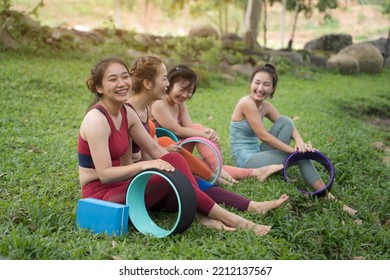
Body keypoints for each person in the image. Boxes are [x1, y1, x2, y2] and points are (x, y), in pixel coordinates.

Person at [77, 56, 285, 236]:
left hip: (126, 184)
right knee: (172, 181)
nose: (122, 83)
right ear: (99, 87)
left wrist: (166, 161)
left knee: (175, 163)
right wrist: (145, 166)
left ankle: (226, 212)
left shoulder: (126, 112)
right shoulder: (96, 120)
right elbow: (105, 174)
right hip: (103, 194)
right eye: (113, 79)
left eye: (124, 76)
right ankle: (235, 219)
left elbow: (157, 150)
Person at [126, 55, 289, 216]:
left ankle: (249, 202)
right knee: (190, 173)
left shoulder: (145, 108)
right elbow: (135, 158)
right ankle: (225, 200)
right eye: (164, 79)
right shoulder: (135, 110)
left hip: (158, 160)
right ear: (148, 83)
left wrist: (203, 134)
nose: (167, 84)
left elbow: (153, 146)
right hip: (143, 175)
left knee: (196, 170)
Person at [229, 63, 357, 215]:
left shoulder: (266, 107)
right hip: (245, 159)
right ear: (251, 83)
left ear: (272, 88)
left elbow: (289, 126)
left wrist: (300, 143)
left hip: (258, 151)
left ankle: (289, 166)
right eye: (257, 83)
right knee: (301, 156)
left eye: (266, 84)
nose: (260, 88)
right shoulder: (246, 102)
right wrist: (295, 152)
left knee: (285, 121)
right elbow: (263, 136)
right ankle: (326, 194)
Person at [150, 64, 283, 185]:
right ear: (170, 84)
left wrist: (207, 134)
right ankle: (227, 173)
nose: (185, 94)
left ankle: (231, 170)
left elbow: (189, 130)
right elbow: (176, 129)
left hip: (179, 148)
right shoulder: (159, 103)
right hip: (163, 151)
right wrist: (204, 134)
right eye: (182, 89)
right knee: (199, 144)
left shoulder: (180, 104)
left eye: (190, 91)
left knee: (197, 131)